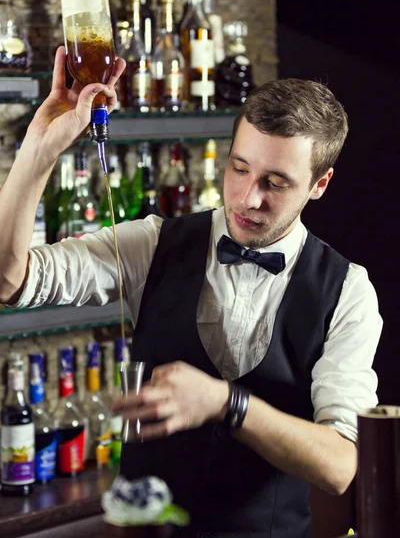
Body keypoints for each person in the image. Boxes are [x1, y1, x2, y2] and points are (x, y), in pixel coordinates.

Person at [0, 46, 382, 538]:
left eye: (276, 182)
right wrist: (40, 148)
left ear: (319, 184)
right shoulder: (154, 244)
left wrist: (229, 403)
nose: (248, 197)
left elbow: (340, 465)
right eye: (239, 167)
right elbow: (10, 280)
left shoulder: (348, 291)